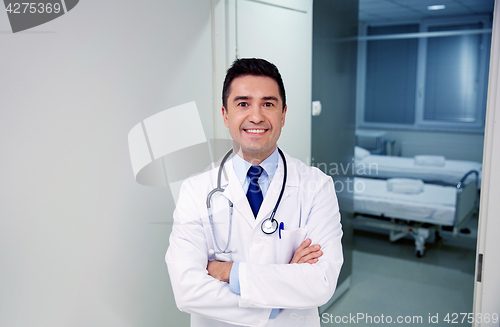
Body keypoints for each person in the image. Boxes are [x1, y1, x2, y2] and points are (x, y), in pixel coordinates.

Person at [166, 58, 343, 327]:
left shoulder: (317, 186)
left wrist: (227, 272)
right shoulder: (195, 190)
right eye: (243, 103)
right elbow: (187, 290)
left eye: (268, 104)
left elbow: (322, 283)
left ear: (283, 115)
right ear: (226, 115)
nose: (257, 116)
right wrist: (276, 298)